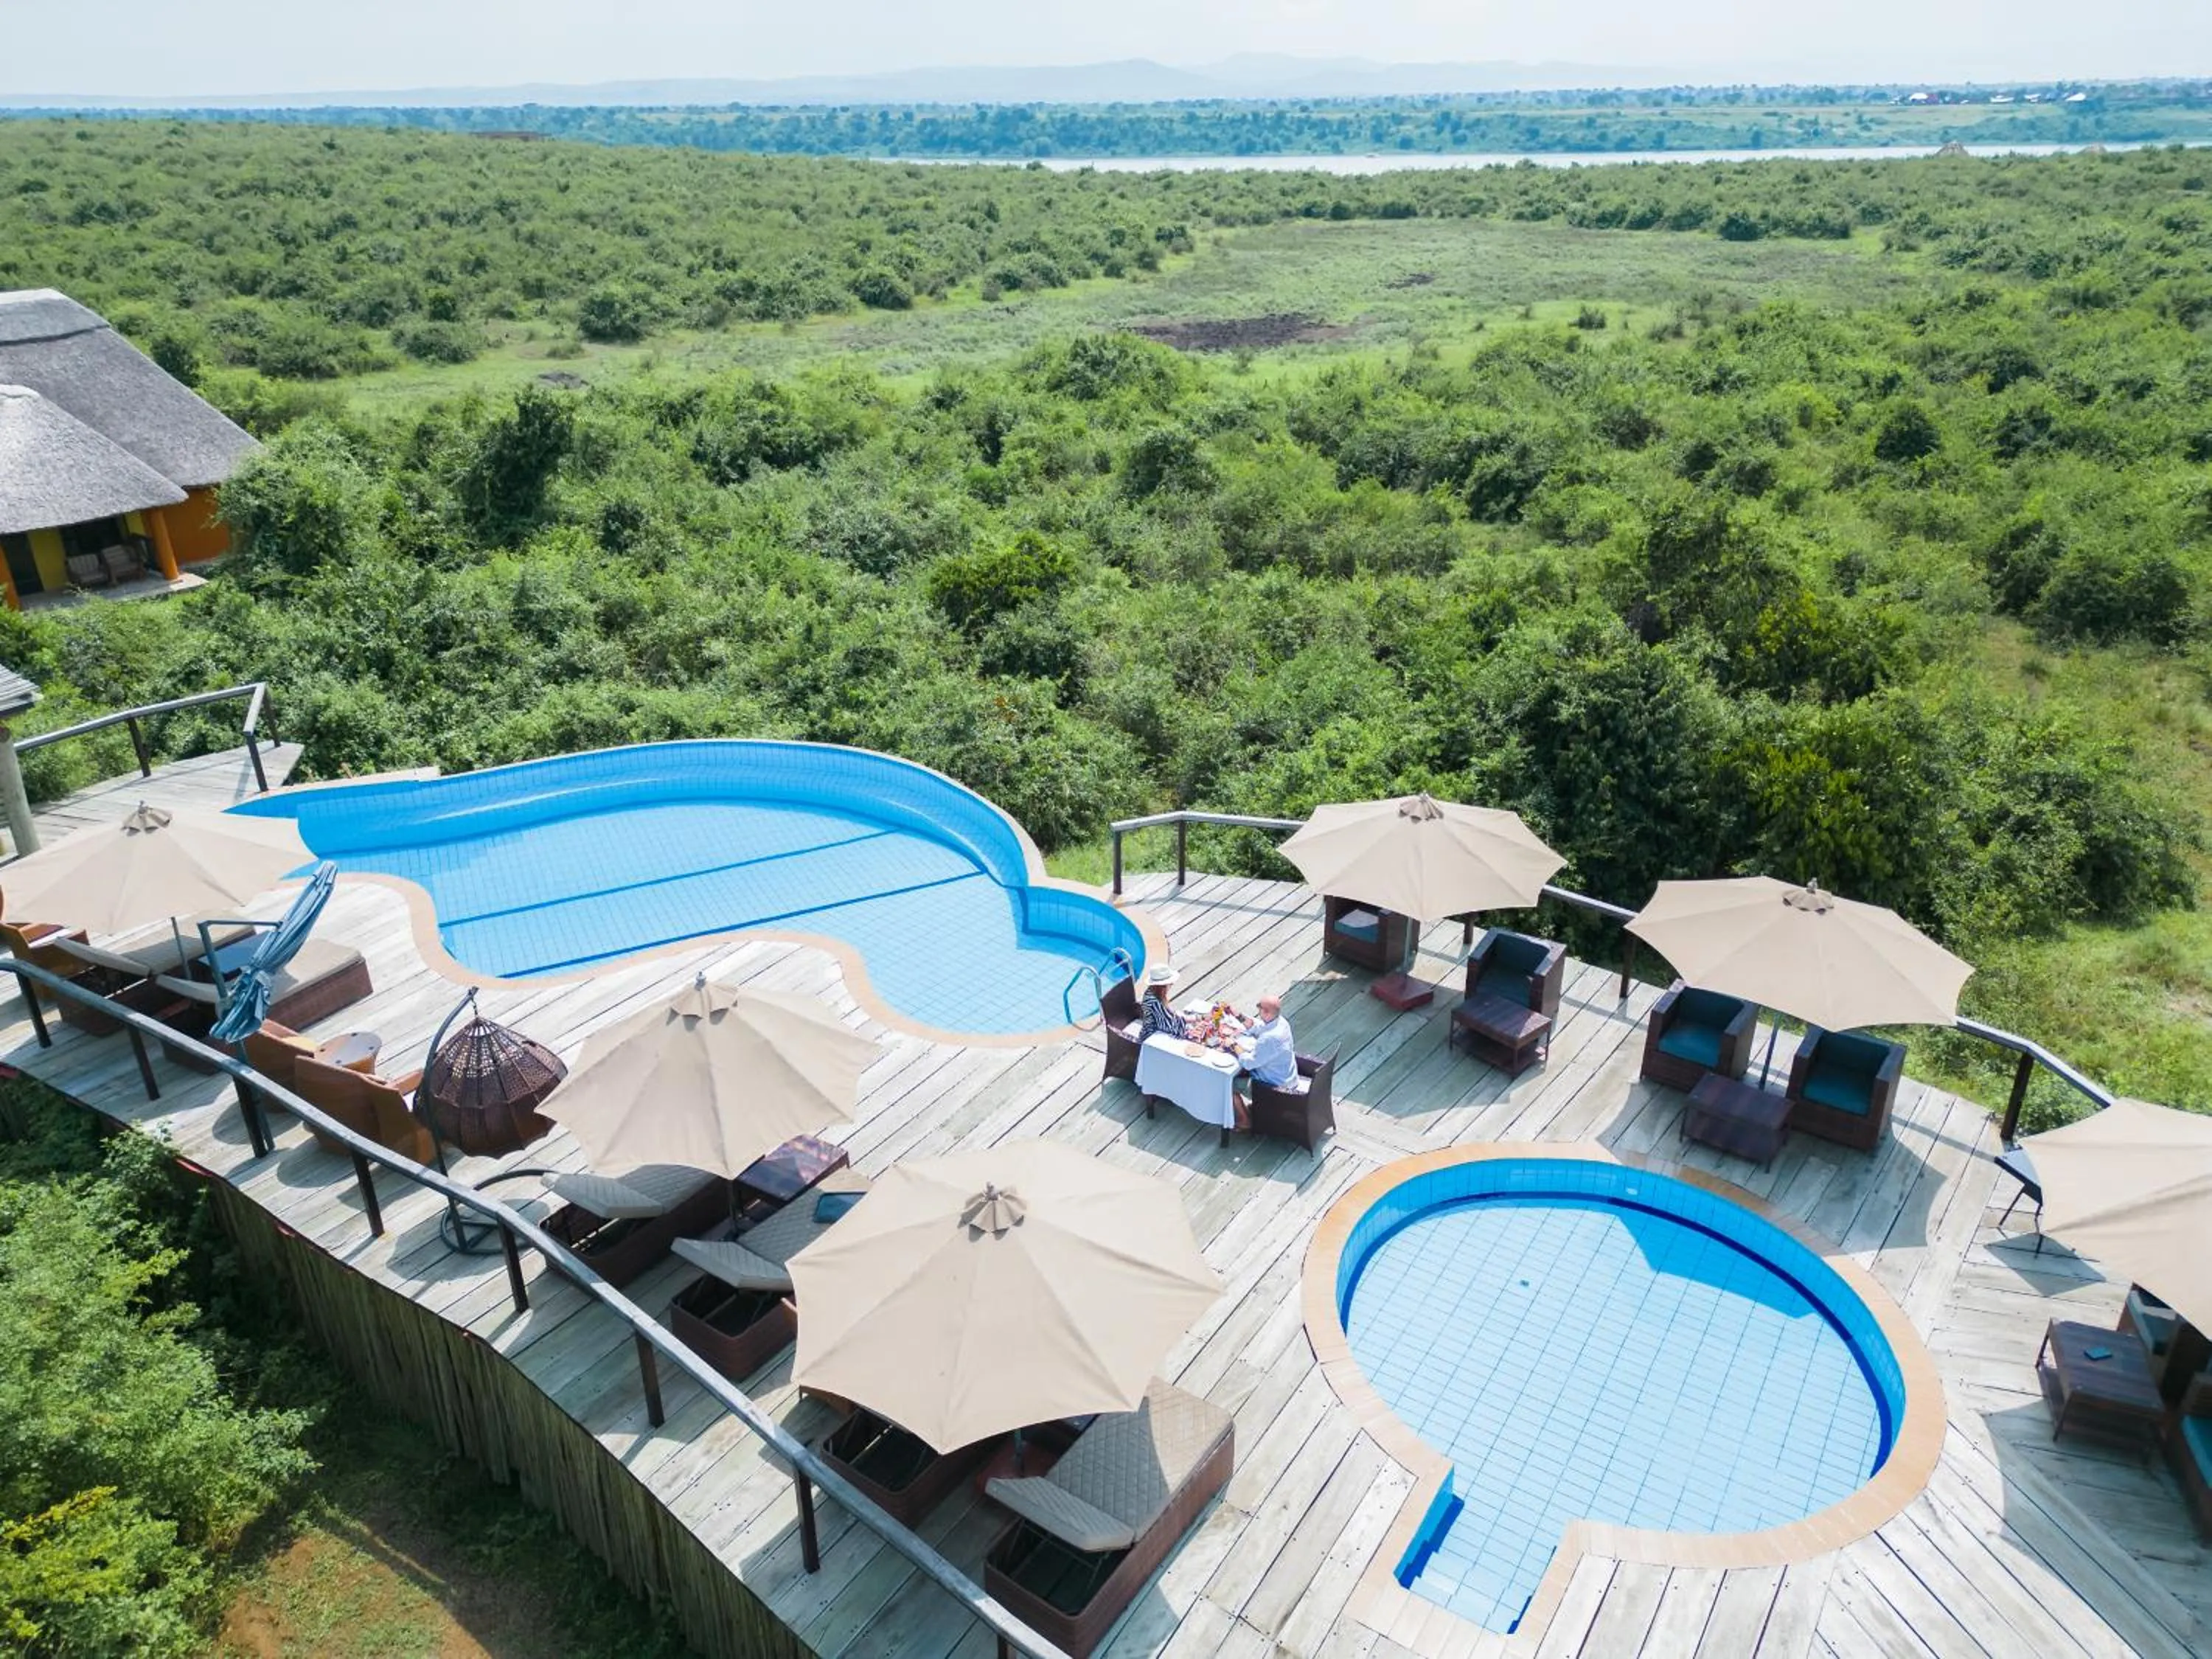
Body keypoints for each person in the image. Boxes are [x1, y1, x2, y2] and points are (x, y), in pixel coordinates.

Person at [1239, 993, 1298, 1097]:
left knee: (1232, 1085)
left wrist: (1233, 1046)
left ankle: (1246, 1114)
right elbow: (1260, 1027)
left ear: (1266, 1012)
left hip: (1274, 1089)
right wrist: (1238, 1016)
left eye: (1259, 1006)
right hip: (1286, 1078)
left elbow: (1249, 1064)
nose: (1257, 1008)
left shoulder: (1269, 1039)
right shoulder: (1282, 1022)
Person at [1138, 962, 1188, 1041]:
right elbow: (1168, 1027)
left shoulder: (1151, 992)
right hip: (1152, 1037)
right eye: (1171, 984)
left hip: (1153, 1030)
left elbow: (1166, 1016)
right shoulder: (1155, 1002)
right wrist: (1187, 1021)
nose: (1172, 985)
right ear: (1163, 987)